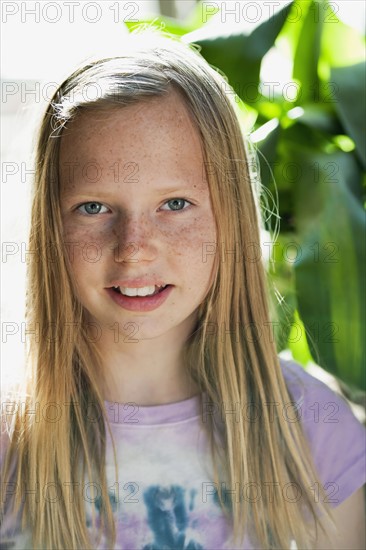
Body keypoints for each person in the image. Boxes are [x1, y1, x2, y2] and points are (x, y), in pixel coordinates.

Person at [0, 30, 365, 550]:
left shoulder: (314, 434)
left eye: (174, 204)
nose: (134, 248)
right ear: (48, 224)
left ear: (231, 215)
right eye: (94, 207)